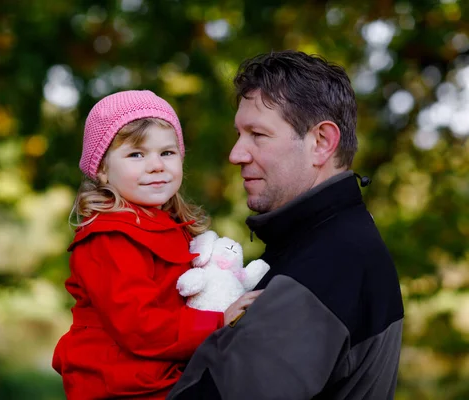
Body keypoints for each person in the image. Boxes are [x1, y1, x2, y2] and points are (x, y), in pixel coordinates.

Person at [167, 50, 404, 399]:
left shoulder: (330, 262)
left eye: (258, 135)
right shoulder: (325, 243)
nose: (236, 154)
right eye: (239, 133)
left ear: (321, 142)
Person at [52, 90, 261, 399]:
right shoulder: (110, 237)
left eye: (167, 153)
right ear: (102, 170)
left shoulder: (168, 225)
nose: (156, 165)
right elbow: (140, 326)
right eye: (136, 154)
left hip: (161, 369)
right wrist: (220, 319)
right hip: (120, 382)